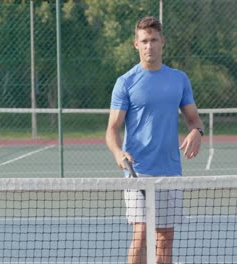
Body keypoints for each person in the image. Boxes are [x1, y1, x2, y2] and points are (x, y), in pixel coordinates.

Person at [105, 16, 203, 264]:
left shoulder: (179, 79)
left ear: (163, 42)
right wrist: (118, 154)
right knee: (141, 234)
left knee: (165, 238)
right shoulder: (125, 82)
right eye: (144, 41)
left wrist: (196, 133)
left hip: (170, 171)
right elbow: (112, 129)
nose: (150, 46)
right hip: (138, 171)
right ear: (136, 44)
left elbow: (194, 120)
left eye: (154, 40)